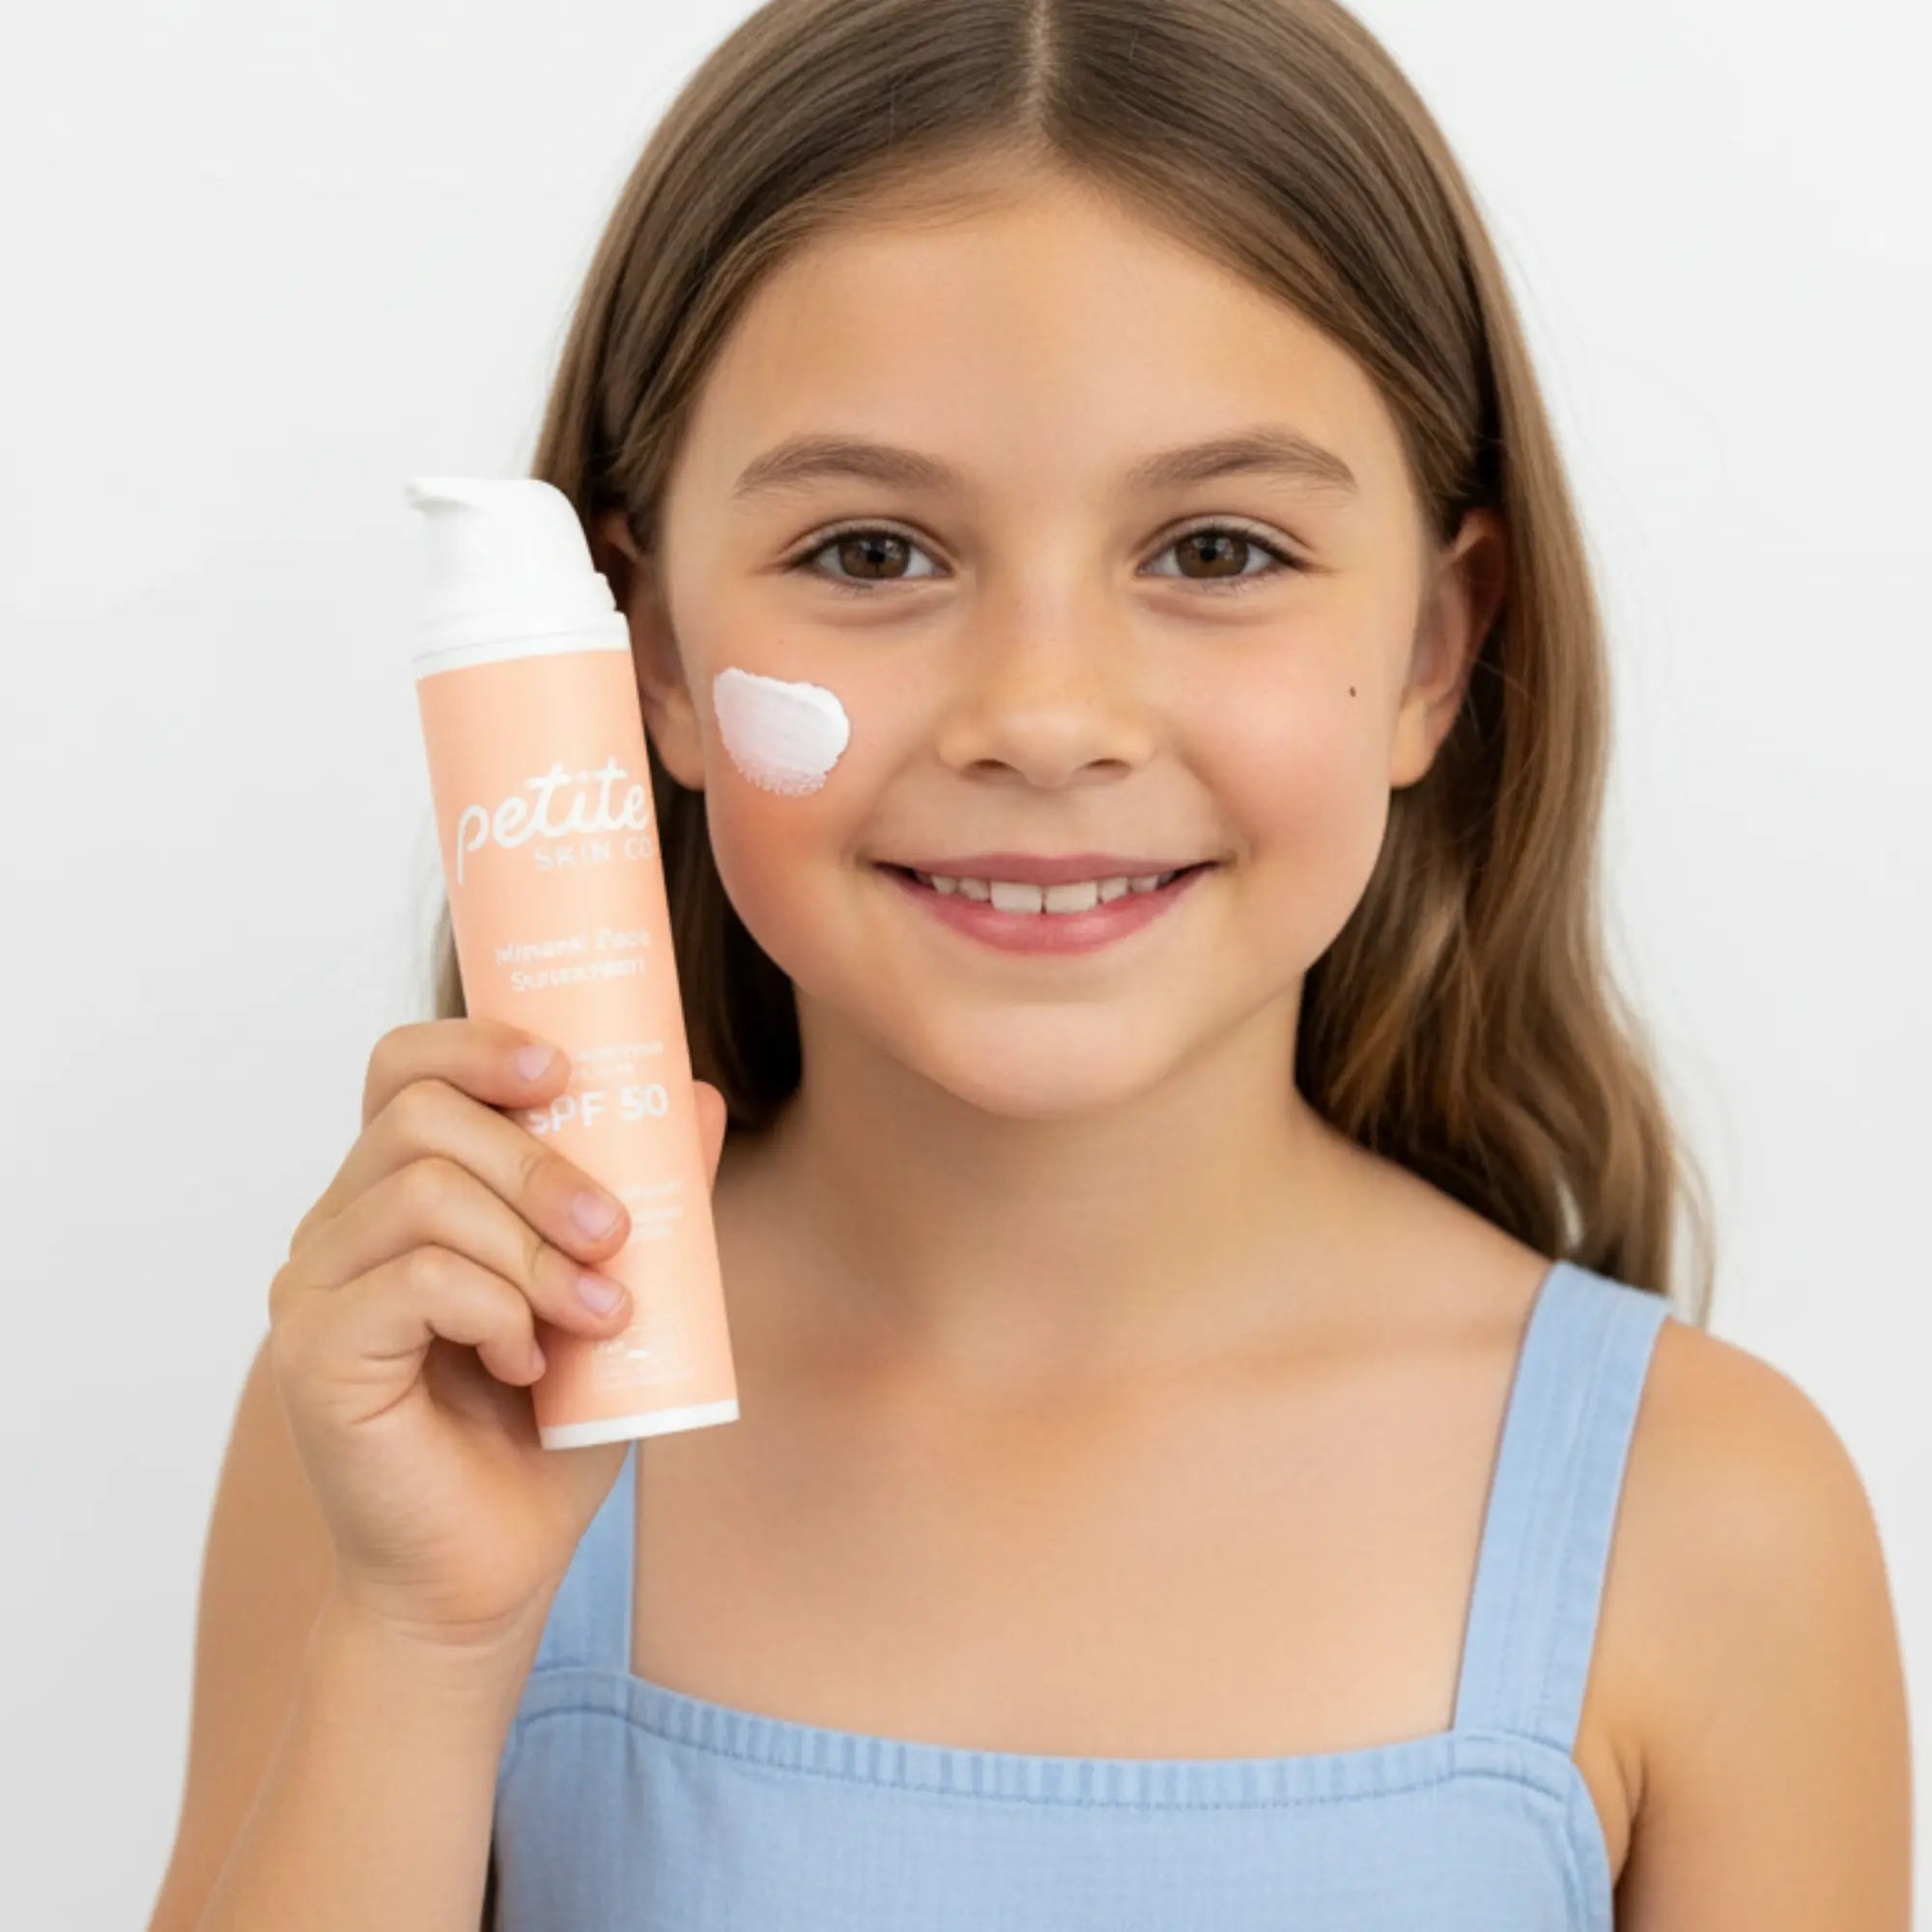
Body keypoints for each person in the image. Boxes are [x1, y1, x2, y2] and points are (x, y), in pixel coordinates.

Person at [149, 1, 1912, 1927]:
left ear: (1431, 646)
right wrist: (423, 1640)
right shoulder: (428, 1417)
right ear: (640, 650)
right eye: (876, 552)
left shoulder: (1713, 1516)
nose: (1045, 716)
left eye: (1219, 549)